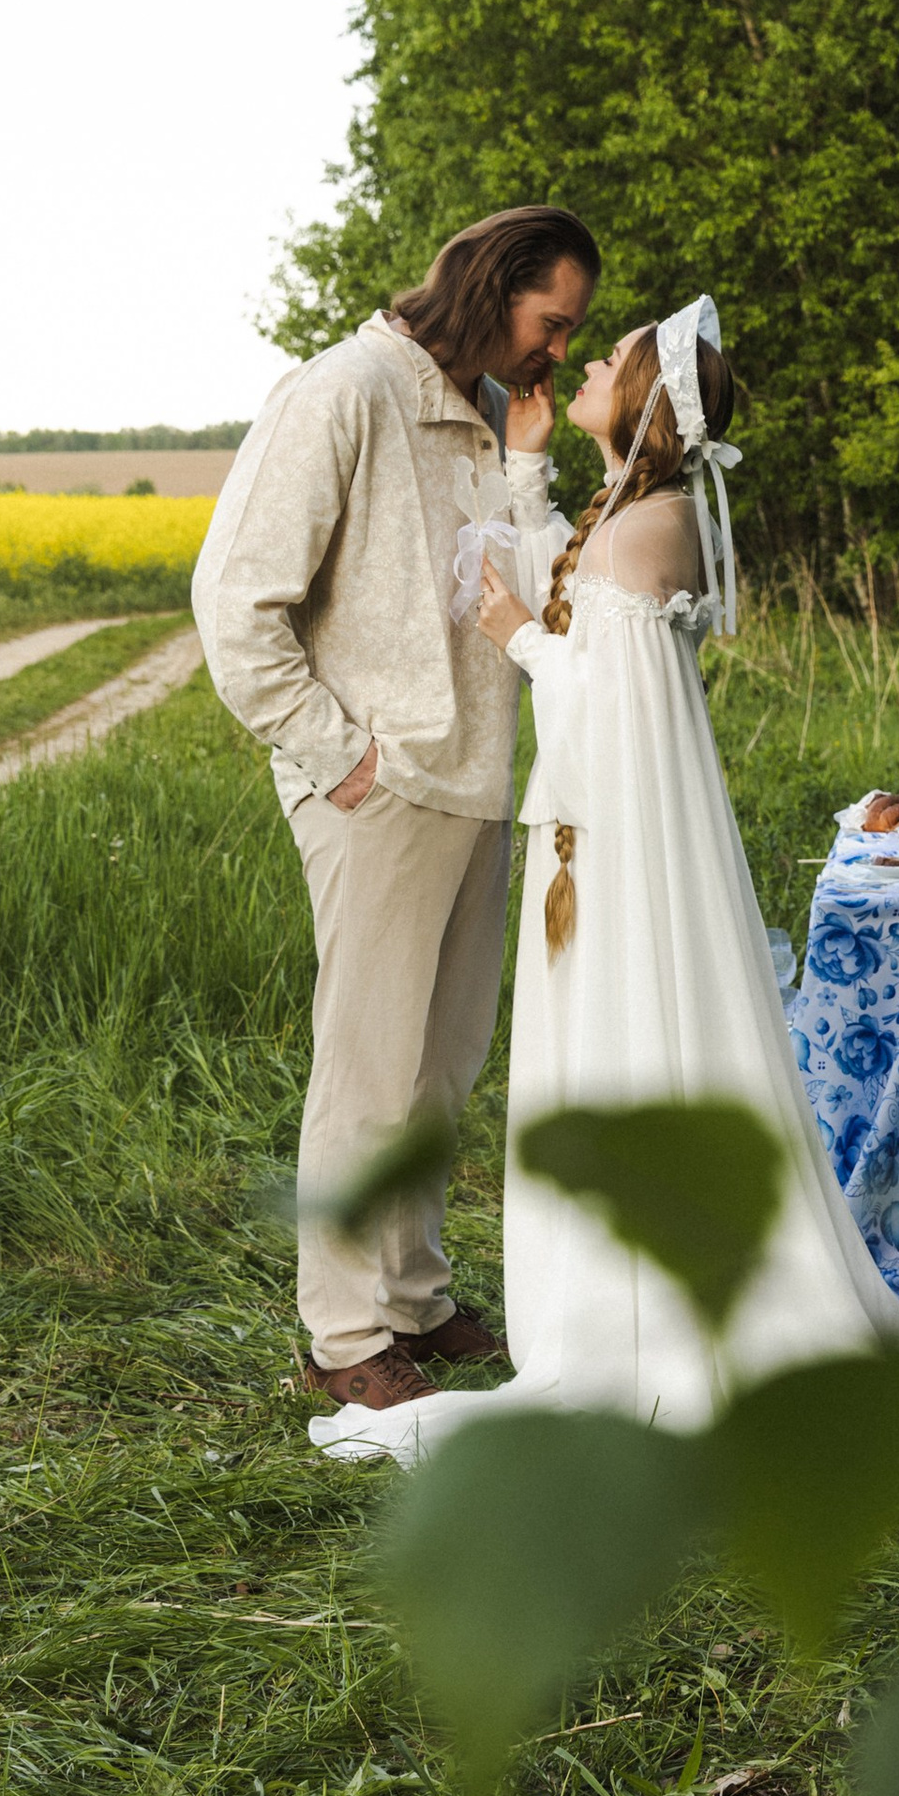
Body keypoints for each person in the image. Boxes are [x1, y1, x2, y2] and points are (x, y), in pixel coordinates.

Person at [309, 296, 899, 1484]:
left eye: (609, 359)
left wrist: (518, 634)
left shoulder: (647, 529)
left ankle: (627, 1324)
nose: (583, 363)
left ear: (642, 402)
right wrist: (527, 481)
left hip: (612, 844)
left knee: (620, 1041)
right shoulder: (637, 514)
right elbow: (578, 595)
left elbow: (602, 695)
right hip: (604, 837)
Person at [193, 204, 598, 1415]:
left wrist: (528, 454)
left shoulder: (477, 408)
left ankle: (415, 1298)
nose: (562, 354)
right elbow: (234, 605)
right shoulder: (344, 390)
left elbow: (531, 597)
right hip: (378, 784)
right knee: (368, 1071)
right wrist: (339, 756)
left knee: (440, 1069)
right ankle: (344, 1332)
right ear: (492, 285)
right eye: (552, 323)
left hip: (478, 778)